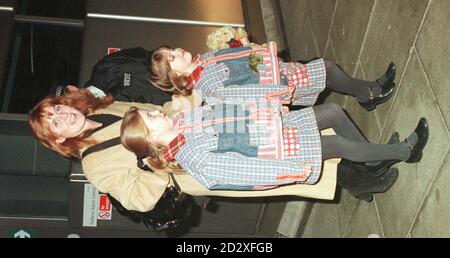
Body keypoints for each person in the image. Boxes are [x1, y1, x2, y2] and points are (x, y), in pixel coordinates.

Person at [120, 101, 428, 195]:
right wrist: (290, 171)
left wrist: (265, 106)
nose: (157, 112)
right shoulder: (194, 157)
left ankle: (374, 161)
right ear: (151, 139)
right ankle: (405, 152)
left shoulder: (183, 124)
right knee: (338, 144)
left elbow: (229, 111)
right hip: (277, 150)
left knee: (333, 112)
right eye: (151, 118)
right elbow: (248, 172)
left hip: (273, 126)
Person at [147, 42, 396, 111]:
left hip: (277, 72)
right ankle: (368, 92)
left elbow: (245, 64)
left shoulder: (205, 61)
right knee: (327, 69)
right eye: (171, 58)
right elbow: (246, 93)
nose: (176, 51)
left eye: (170, 50)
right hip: (277, 84)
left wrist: (253, 49)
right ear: (176, 74)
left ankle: (368, 91)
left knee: (327, 71)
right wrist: (277, 96)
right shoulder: (206, 82)